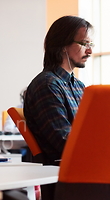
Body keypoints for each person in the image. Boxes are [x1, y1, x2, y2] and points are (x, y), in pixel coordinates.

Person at [24, 15, 93, 165]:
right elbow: (64, 141)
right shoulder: (47, 85)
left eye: (90, 44)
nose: (89, 51)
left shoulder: (79, 86)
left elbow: (89, 131)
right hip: (65, 172)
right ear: (62, 45)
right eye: (84, 43)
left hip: (83, 165)